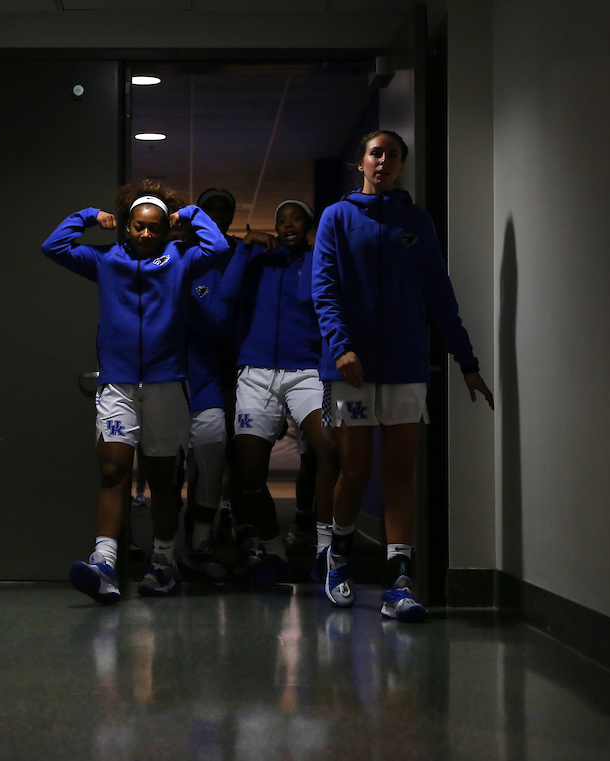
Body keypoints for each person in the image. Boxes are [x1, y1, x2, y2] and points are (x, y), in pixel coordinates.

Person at [312, 130, 494, 620]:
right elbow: (324, 289)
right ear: (362, 163)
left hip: (406, 367)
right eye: (376, 153)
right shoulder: (337, 217)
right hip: (349, 370)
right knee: (355, 468)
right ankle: (340, 557)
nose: (384, 161)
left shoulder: (417, 222)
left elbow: (440, 294)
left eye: (393, 156)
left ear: (400, 166)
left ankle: (398, 584)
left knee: (400, 471)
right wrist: (342, 347)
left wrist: (467, 361)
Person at [41, 181, 229, 603]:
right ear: (126, 227)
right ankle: (104, 563)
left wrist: (193, 216)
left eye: (155, 228)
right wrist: (88, 217)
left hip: (166, 385)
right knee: (113, 472)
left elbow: (218, 250)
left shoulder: (181, 259)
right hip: (118, 384)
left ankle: (163, 565)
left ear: (166, 231)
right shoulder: (106, 259)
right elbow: (53, 246)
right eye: (138, 227)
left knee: (163, 481)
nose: (146, 234)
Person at [219, 200, 340, 587]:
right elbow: (227, 292)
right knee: (249, 473)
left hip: (305, 370)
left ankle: (326, 550)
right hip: (255, 372)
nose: (288, 225)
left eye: (296, 219)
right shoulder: (259, 260)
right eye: (281, 220)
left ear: (307, 225)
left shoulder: (316, 260)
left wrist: (317, 246)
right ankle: (274, 551)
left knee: (330, 450)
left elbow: (309, 298)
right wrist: (245, 246)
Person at [179, 189, 240, 581]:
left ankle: (202, 539)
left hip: (215, 375)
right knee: (168, 470)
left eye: (223, 211)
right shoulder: (173, 256)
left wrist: (186, 308)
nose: (216, 216)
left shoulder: (235, 257)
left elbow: (223, 322)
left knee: (212, 461)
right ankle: (164, 549)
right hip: (168, 376)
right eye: (208, 211)